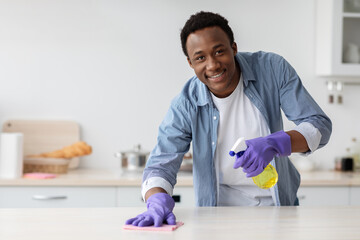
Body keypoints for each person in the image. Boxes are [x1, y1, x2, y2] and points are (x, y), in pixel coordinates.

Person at [125, 11, 332, 227]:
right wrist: (156, 200)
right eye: (200, 58)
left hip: (280, 211)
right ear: (190, 63)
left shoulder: (272, 69)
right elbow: (160, 165)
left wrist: (276, 143)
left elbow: (319, 125)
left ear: (233, 48)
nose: (212, 65)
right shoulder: (186, 103)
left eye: (219, 51)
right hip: (216, 219)